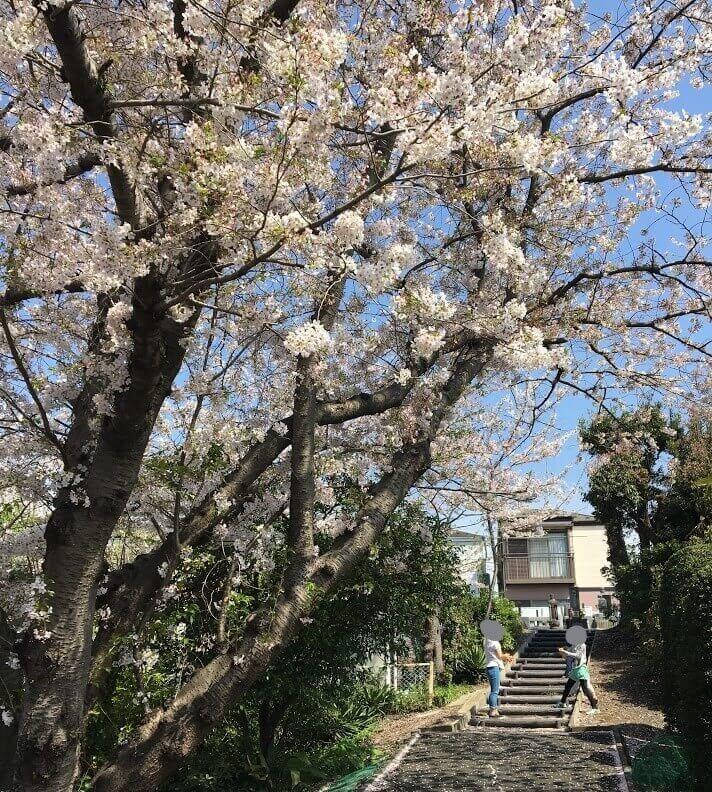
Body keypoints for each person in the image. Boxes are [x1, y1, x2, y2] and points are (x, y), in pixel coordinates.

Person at [556, 625, 599, 714]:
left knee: (585, 688)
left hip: (581, 669)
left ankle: (595, 708)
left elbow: (578, 656)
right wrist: (562, 651)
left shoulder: (582, 645)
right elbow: (568, 654)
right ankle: (562, 702)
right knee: (568, 686)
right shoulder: (574, 645)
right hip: (575, 669)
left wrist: (565, 652)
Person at [480, 619, 513, 718]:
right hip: (493, 666)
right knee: (495, 690)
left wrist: (505, 656)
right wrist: (507, 656)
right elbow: (499, 656)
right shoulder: (494, 642)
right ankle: (492, 710)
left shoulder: (487, 640)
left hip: (489, 666)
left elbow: (495, 655)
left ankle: (494, 709)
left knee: (494, 689)